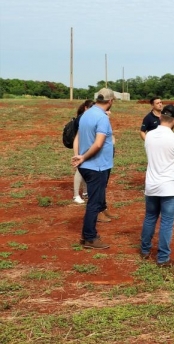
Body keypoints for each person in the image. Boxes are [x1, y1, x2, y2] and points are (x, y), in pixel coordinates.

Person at [140, 105, 174, 267]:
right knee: (167, 222)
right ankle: (162, 258)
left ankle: (145, 250)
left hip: (152, 184)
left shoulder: (149, 136)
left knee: (150, 217)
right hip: (170, 186)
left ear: (160, 117)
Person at [71, 88, 116, 249]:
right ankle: (89, 238)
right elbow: (98, 144)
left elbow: (78, 137)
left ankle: (87, 236)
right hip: (96, 166)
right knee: (94, 204)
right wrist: (83, 157)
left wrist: (79, 156)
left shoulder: (85, 114)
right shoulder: (102, 118)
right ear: (110, 101)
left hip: (87, 166)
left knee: (94, 201)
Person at [72, 99, 95, 204]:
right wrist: (76, 154)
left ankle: (85, 192)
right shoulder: (82, 119)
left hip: (87, 149)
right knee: (80, 170)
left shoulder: (88, 117)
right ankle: (76, 195)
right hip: (82, 149)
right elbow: (77, 138)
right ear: (86, 108)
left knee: (86, 170)